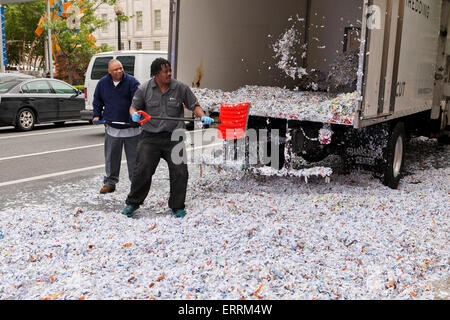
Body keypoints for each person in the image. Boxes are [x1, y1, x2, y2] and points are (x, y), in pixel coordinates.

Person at [121, 58, 214, 218]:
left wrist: (203, 116)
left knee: (180, 172)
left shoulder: (180, 88)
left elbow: (194, 105)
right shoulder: (144, 89)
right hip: (150, 138)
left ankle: (177, 206)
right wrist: (134, 115)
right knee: (142, 170)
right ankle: (133, 203)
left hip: (174, 138)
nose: (169, 73)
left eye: (170, 70)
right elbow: (133, 107)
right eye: (165, 71)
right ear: (156, 74)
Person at [93, 59, 141, 194]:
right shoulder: (103, 83)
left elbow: (139, 99)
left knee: (135, 159)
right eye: (116, 69)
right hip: (112, 127)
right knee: (111, 157)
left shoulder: (132, 82)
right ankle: (110, 182)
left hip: (131, 127)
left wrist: (136, 114)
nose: (119, 71)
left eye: (121, 68)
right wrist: (96, 115)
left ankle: (136, 184)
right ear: (109, 71)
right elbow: (97, 100)